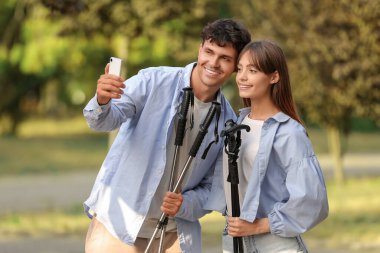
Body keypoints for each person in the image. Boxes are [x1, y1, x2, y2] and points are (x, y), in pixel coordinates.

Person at [83, 18, 251, 253]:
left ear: (236, 66)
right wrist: (102, 100)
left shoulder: (228, 122)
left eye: (225, 58)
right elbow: (103, 121)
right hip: (117, 224)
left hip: (174, 235)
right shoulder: (153, 81)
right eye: (209, 51)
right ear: (200, 48)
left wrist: (185, 204)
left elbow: (213, 189)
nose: (213, 63)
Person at [205, 40, 329, 253]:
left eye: (252, 70)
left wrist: (259, 225)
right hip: (234, 241)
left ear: (274, 76)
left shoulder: (289, 133)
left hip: (275, 243)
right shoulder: (235, 126)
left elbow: (313, 200)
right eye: (240, 69)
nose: (242, 77)